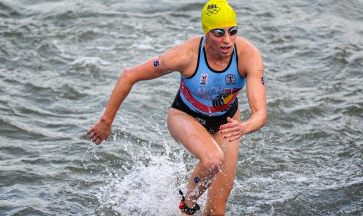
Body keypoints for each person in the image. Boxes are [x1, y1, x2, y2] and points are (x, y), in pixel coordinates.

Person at [87, 0, 267, 215]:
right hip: (185, 116)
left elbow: (260, 113)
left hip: (227, 124)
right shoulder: (185, 55)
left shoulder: (248, 55)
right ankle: (186, 206)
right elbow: (129, 75)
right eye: (219, 33)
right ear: (206, 33)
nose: (227, 40)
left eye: (233, 31)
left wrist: (244, 127)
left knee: (216, 211)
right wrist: (106, 121)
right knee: (212, 160)